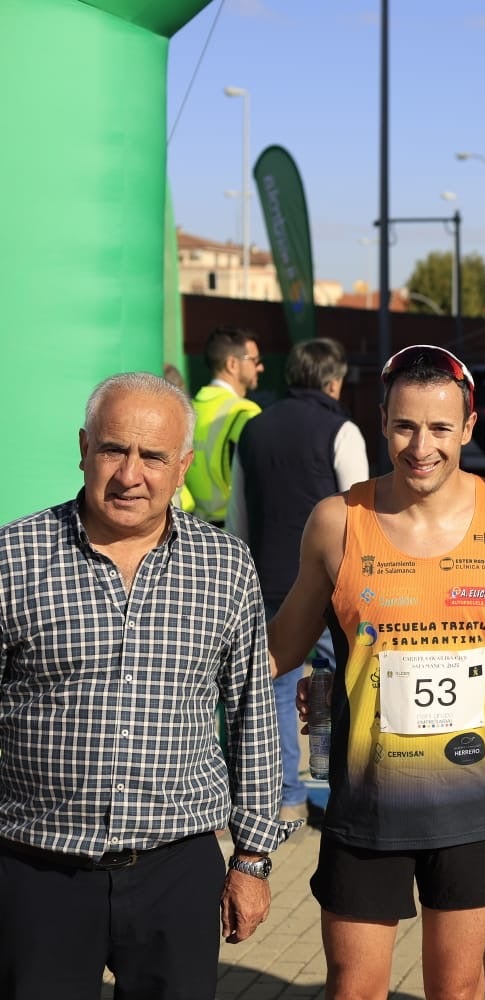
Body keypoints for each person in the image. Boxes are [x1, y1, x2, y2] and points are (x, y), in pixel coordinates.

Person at [0, 372, 290, 997]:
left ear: (182, 467)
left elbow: (252, 718)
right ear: (84, 448)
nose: (130, 475)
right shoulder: (13, 557)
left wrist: (252, 859)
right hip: (37, 869)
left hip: (177, 873)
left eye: (153, 456)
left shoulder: (226, 567)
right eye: (113, 449)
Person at [268, 344, 485, 999]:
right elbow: (279, 651)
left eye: (441, 428)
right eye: (405, 426)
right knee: (354, 989)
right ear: (382, 423)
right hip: (368, 807)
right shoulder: (337, 522)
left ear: (468, 428)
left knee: (459, 988)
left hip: (471, 803)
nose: (422, 446)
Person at [227, 338, 369, 823]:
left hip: (267, 581)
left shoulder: (254, 429)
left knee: (276, 694)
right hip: (330, 587)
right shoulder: (341, 430)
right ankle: (346, 790)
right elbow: (359, 515)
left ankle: (287, 799)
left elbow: (238, 514)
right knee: (347, 682)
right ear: (334, 382)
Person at [185, 326, 264, 525]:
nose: (260, 367)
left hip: (195, 526)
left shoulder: (189, 409)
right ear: (232, 364)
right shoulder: (244, 412)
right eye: (255, 360)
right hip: (234, 529)